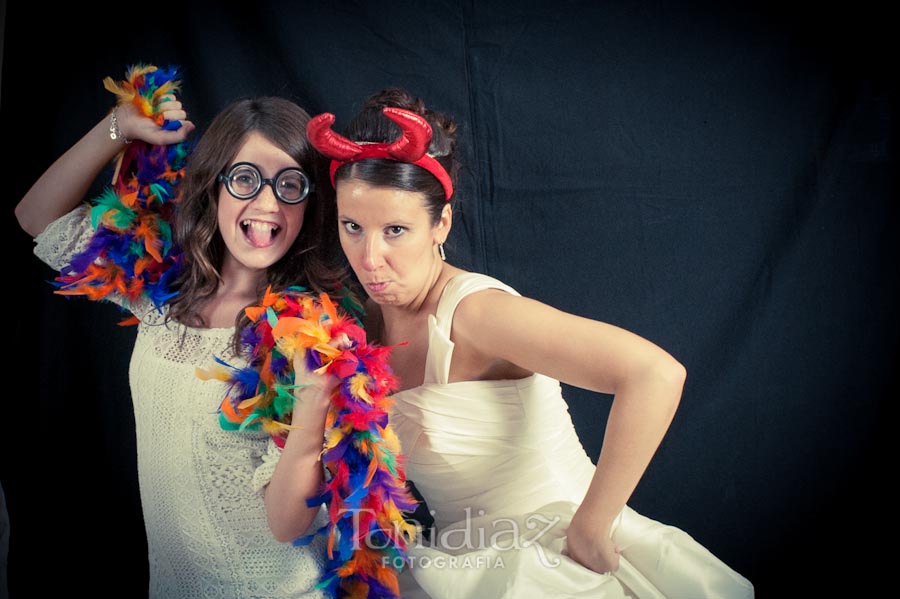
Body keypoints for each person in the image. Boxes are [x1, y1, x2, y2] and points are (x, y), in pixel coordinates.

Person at [304, 88, 756, 598]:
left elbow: (655, 374)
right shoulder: (359, 325)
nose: (370, 257)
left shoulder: (475, 313)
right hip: (458, 565)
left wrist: (591, 525)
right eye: (352, 227)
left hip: (553, 562)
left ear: (441, 224)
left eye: (395, 230)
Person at [15, 83, 346, 597]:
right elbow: (37, 218)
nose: (268, 204)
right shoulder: (161, 293)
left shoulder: (305, 334)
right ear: (212, 187)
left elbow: (288, 525)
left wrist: (311, 405)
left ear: (307, 207)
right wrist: (120, 127)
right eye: (244, 179)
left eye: (290, 185)